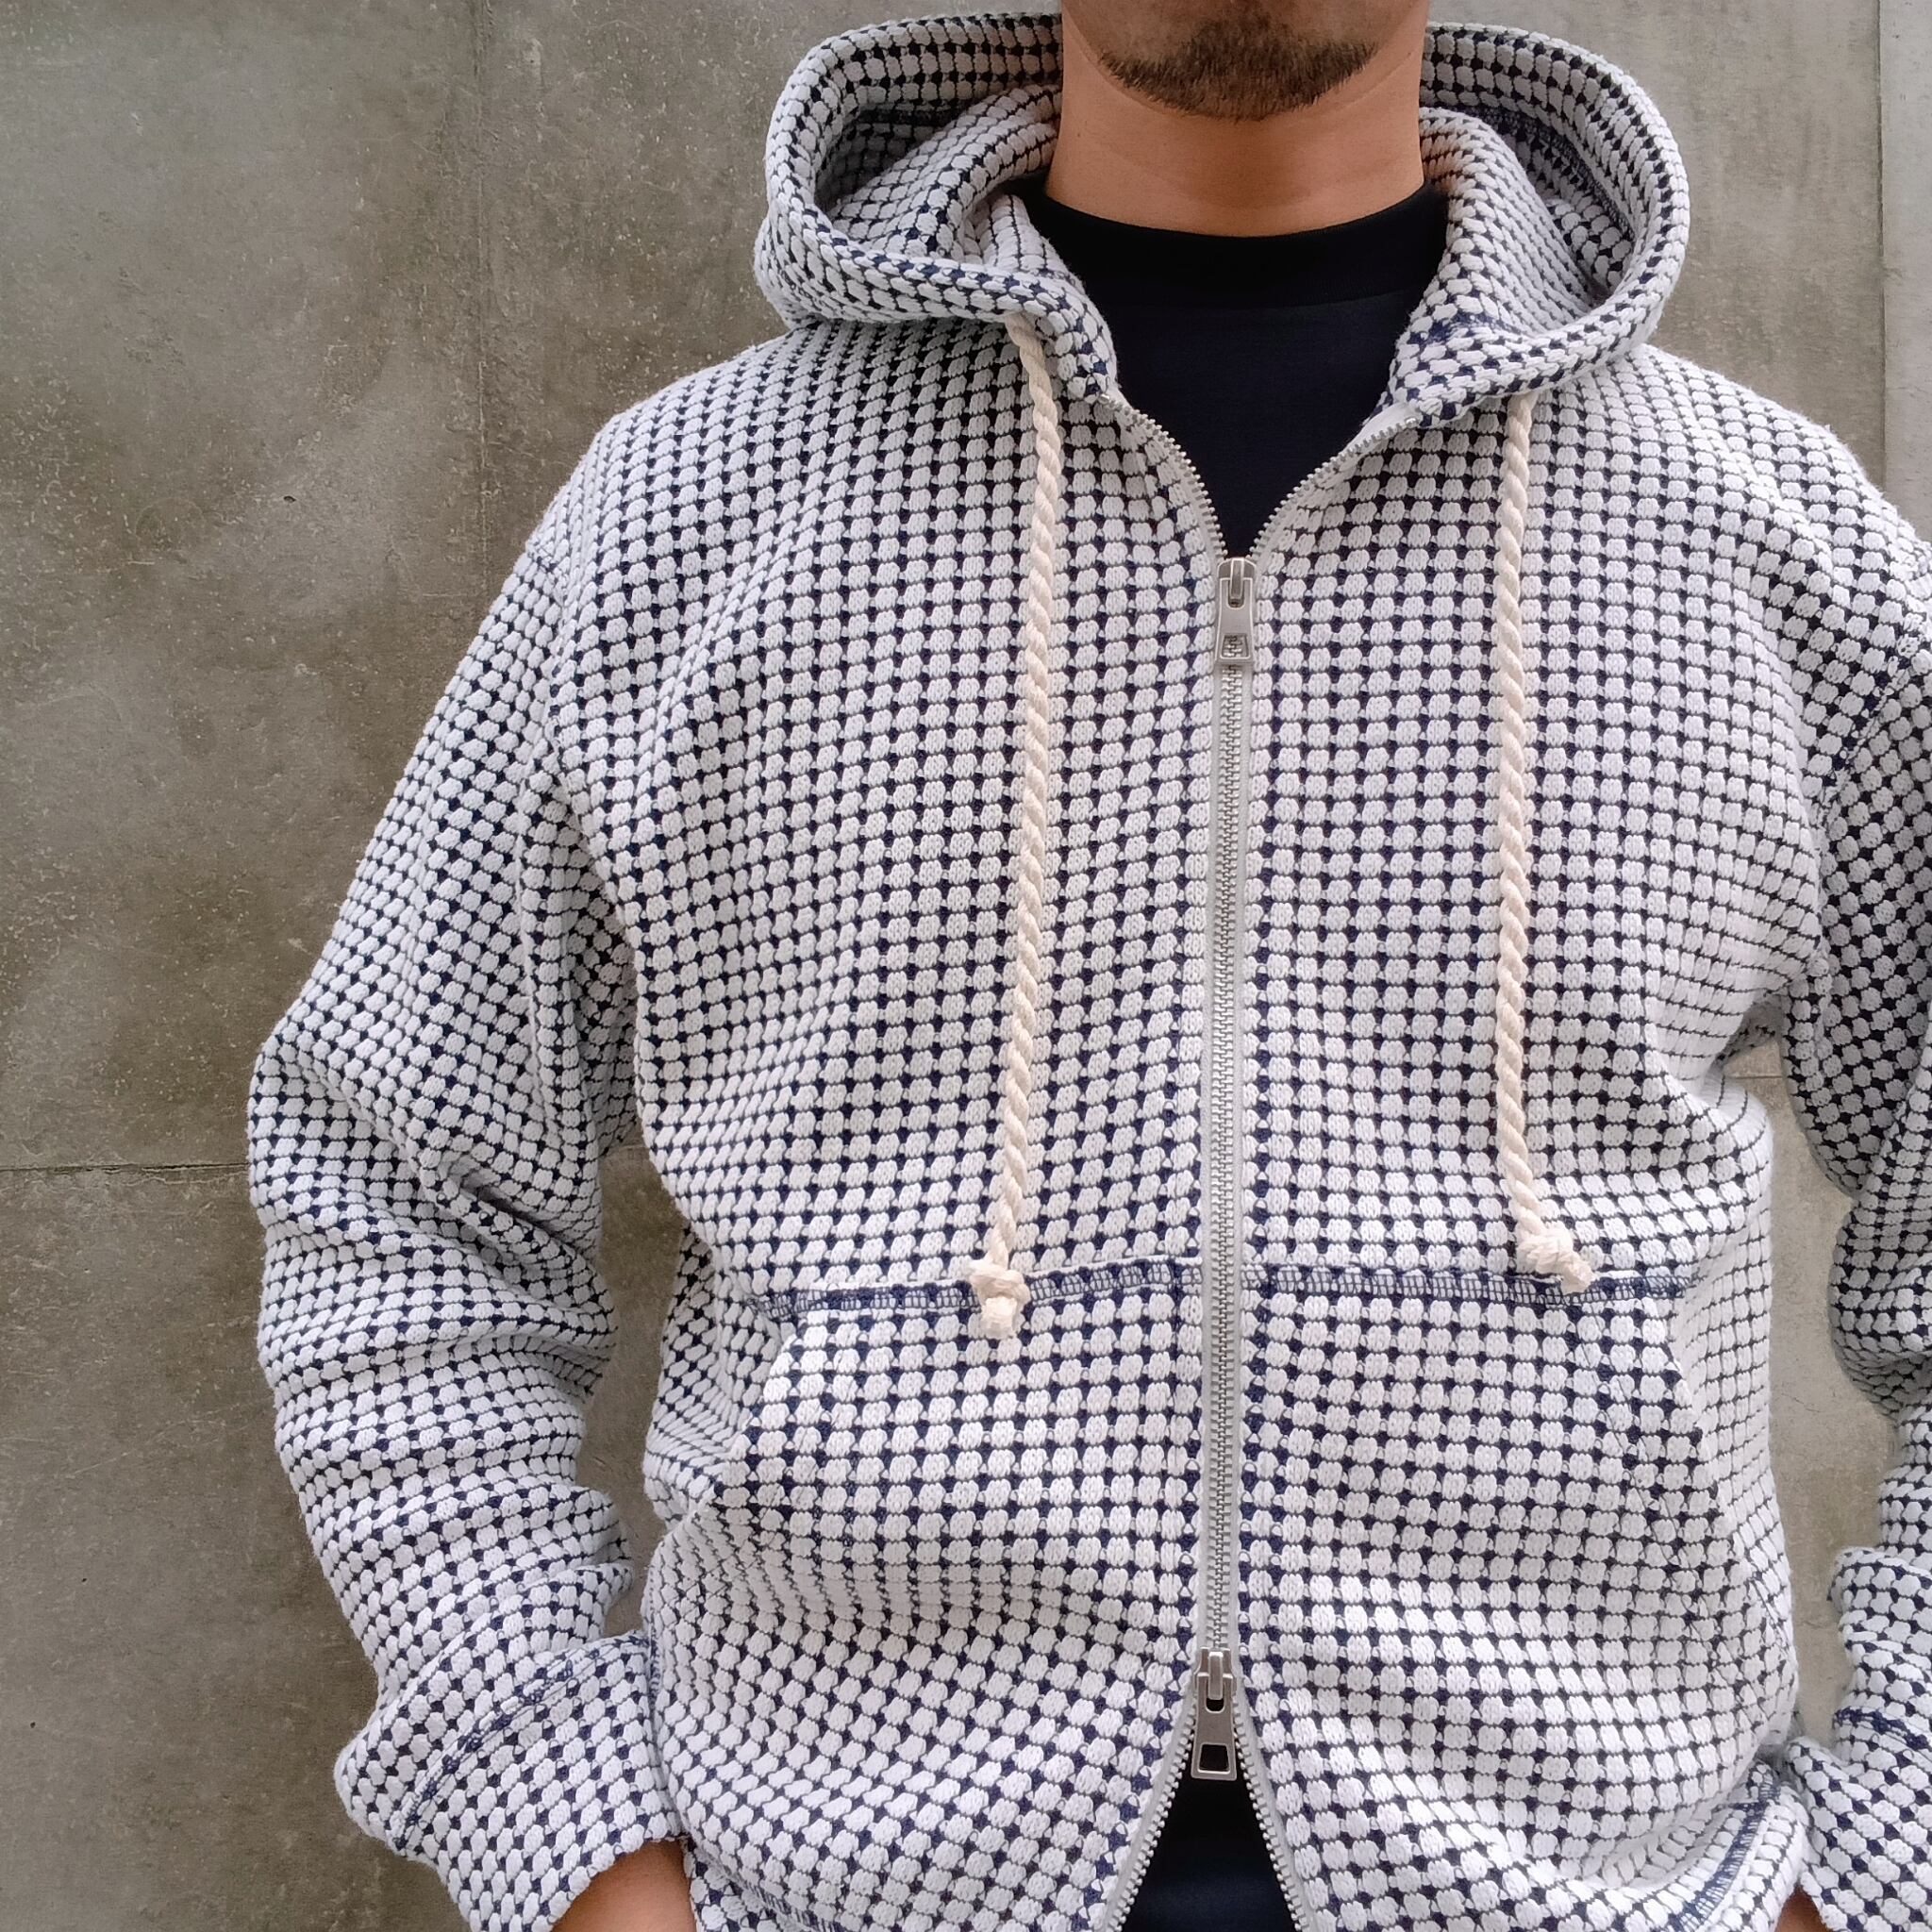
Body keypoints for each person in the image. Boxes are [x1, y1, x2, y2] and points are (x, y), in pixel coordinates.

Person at [243, 1, 1931, 1928]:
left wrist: (1882, 1861)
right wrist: (572, 1839)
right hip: (839, 1884)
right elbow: (399, 1186)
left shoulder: (1766, 540)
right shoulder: (683, 517)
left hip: (1603, 1885)